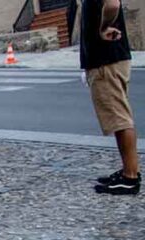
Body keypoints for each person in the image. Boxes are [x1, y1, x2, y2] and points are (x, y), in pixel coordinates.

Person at [68, 0, 140, 195]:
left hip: (106, 59)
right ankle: (128, 171)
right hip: (107, 58)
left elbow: (113, 4)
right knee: (118, 118)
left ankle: (130, 177)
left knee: (120, 118)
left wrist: (104, 27)